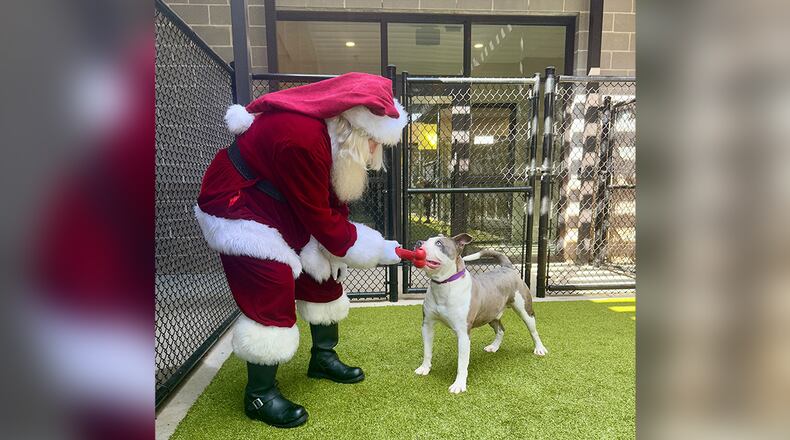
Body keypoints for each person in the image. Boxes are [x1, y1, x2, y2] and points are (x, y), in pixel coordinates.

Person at [194, 72, 407, 428]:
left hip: (279, 203)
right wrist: (376, 249)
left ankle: (322, 357)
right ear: (359, 132)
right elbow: (319, 217)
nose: (375, 152)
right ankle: (259, 395)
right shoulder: (302, 139)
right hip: (236, 204)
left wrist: (341, 246)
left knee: (324, 268)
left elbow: (332, 202)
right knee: (272, 279)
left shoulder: (332, 135)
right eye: (375, 142)